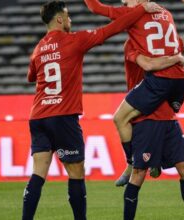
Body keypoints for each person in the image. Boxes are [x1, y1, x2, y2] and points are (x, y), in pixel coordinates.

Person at [22, 1, 162, 219]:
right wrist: (141, 10)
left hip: (38, 116)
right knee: (76, 172)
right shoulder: (74, 40)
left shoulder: (38, 49)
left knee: (38, 173)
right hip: (62, 116)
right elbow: (110, 30)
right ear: (59, 19)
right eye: (67, 16)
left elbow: (30, 77)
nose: (70, 20)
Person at [85, 0, 184, 219]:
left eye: (127, 1)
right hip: (146, 114)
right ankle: (132, 163)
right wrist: (176, 58)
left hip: (164, 111)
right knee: (138, 173)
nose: (125, 4)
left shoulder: (156, 39)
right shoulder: (132, 45)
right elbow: (150, 63)